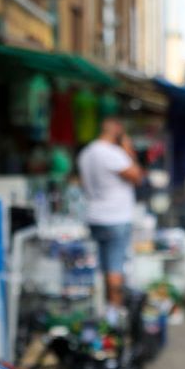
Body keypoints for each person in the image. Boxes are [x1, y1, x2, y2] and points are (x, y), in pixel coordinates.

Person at [77, 116, 143, 313]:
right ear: (117, 130)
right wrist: (128, 151)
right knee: (115, 268)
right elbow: (137, 176)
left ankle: (101, 310)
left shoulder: (86, 153)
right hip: (115, 217)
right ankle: (114, 316)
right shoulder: (113, 153)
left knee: (99, 268)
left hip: (94, 215)